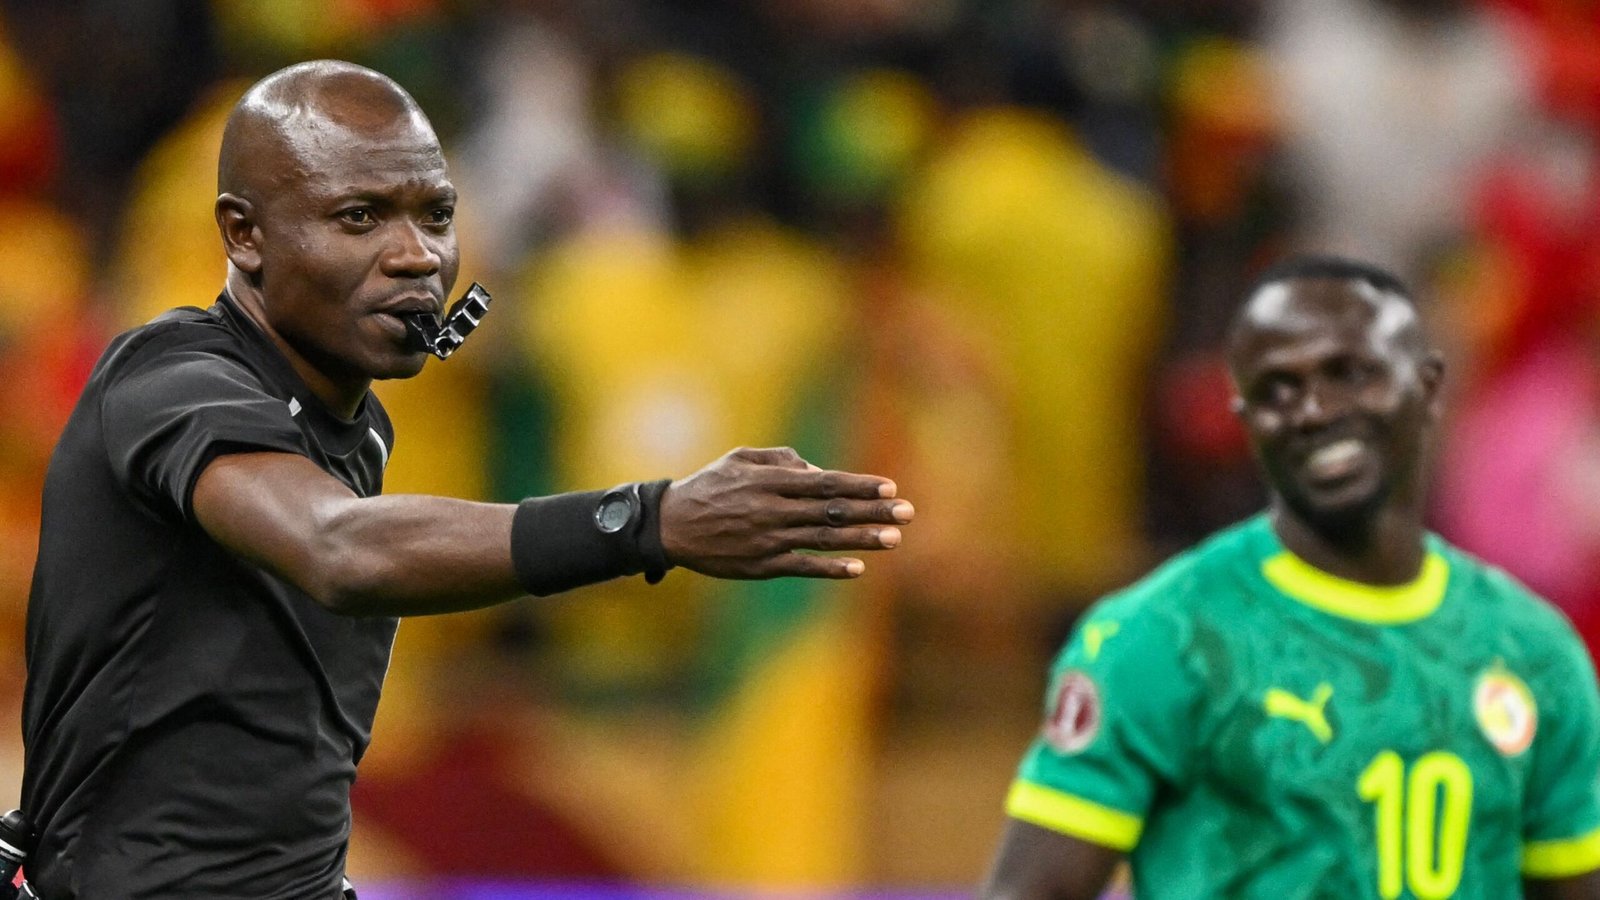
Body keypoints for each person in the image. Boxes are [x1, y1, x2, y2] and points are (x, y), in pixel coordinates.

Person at [17, 60, 914, 899]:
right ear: (242, 235)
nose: (416, 256)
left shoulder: (354, 425)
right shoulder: (173, 379)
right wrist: (655, 520)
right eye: (360, 218)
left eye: (435, 216)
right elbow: (339, 548)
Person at [982, 256, 1600, 899]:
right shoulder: (1163, 637)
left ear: (1429, 385)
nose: (1313, 410)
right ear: (1246, 421)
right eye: (1277, 389)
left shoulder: (1533, 650)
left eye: (1349, 374)